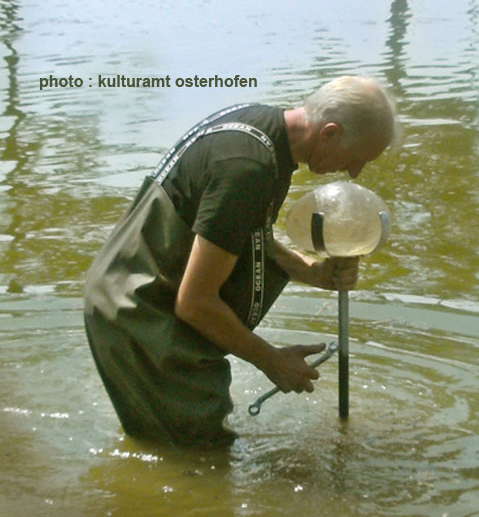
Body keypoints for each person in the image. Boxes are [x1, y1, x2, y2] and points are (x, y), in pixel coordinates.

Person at [83, 76, 397, 446]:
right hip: (139, 314)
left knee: (183, 457)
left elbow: (237, 237)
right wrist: (272, 361)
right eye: (358, 157)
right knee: (199, 456)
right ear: (329, 132)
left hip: (138, 298)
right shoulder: (247, 167)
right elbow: (195, 302)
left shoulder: (263, 131)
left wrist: (314, 272)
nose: (355, 172)